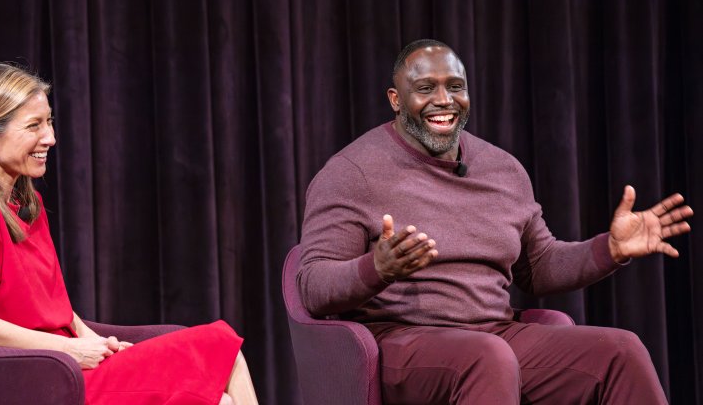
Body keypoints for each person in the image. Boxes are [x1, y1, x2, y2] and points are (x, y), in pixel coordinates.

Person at [297, 39, 693, 404]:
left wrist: (609, 249)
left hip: (495, 334)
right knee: (487, 356)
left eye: (455, 86)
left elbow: (537, 269)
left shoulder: (502, 169)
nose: (443, 100)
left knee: (620, 351)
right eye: (425, 88)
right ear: (396, 99)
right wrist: (376, 268)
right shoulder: (352, 172)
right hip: (400, 341)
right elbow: (313, 286)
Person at [0, 63, 259, 405]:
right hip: (42, 380)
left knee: (224, 352)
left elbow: (52, 306)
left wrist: (94, 341)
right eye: (34, 126)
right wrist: (69, 349)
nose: (50, 138)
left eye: (49, 122)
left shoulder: (28, 204)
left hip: (71, 365)